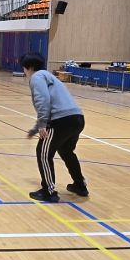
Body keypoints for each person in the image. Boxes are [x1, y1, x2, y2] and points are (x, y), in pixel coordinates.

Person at [21, 52, 88, 202]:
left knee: (43, 153)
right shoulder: (49, 76)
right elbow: (53, 103)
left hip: (61, 121)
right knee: (66, 151)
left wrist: (42, 124)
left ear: (29, 67)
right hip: (77, 118)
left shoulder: (36, 77)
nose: (24, 71)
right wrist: (35, 128)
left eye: (24, 68)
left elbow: (43, 100)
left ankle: (48, 191)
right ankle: (80, 185)